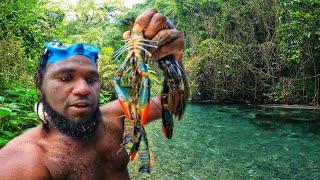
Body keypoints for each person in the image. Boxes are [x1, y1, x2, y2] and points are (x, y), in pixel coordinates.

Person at [0, 9, 184, 179]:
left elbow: (174, 103)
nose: (83, 89)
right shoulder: (24, 164)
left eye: (91, 79)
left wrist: (172, 62)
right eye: (65, 78)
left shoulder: (118, 117)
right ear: (40, 85)